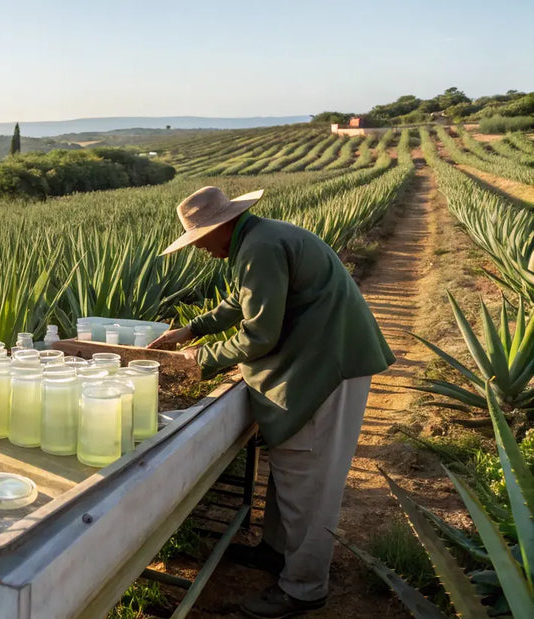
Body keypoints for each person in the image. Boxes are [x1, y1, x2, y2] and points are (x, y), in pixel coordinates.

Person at [150, 186, 394, 618]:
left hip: (329, 366)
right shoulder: (259, 238)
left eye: (201, 238)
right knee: (291, 471)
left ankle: (304, 588)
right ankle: (277, 552)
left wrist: (199, 360)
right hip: (319, 357)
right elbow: (243, 302)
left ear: (221, 226)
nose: (202, 249)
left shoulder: (258, 247)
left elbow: (260, 335)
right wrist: (193, 329)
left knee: (310, 480)